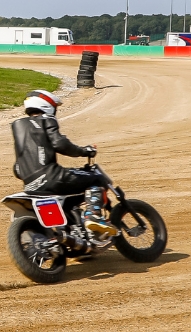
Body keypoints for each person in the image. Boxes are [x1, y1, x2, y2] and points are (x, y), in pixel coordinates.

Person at [10, 89, 116, 234]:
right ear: (48, 106)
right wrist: (84, 151)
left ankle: (72, 231)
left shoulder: (18, 127)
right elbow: (60, 143)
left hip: (30, 186)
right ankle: (94, 216)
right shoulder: (47, 120)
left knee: (69, 191)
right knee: (96, 179)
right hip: (52, 178)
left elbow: (17, 169)